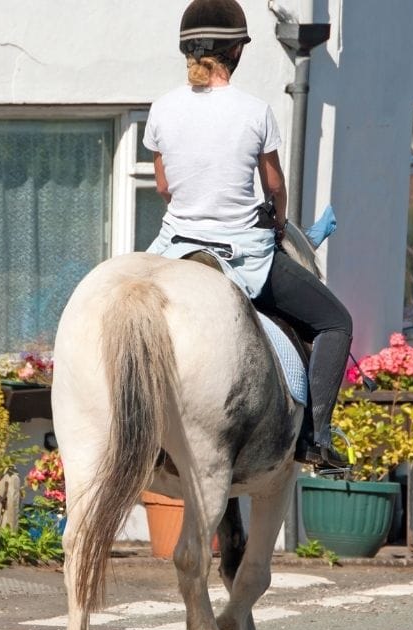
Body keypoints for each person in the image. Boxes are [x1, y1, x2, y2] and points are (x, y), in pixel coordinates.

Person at [143, 0, 352, 468]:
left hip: (175, 248)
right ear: (236, 53)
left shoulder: (162, 109)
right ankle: (314, 440)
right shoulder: (255, 112)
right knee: (336, 323)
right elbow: (274, 186)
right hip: (244, 256)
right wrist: (278, 221)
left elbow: (163, 187)